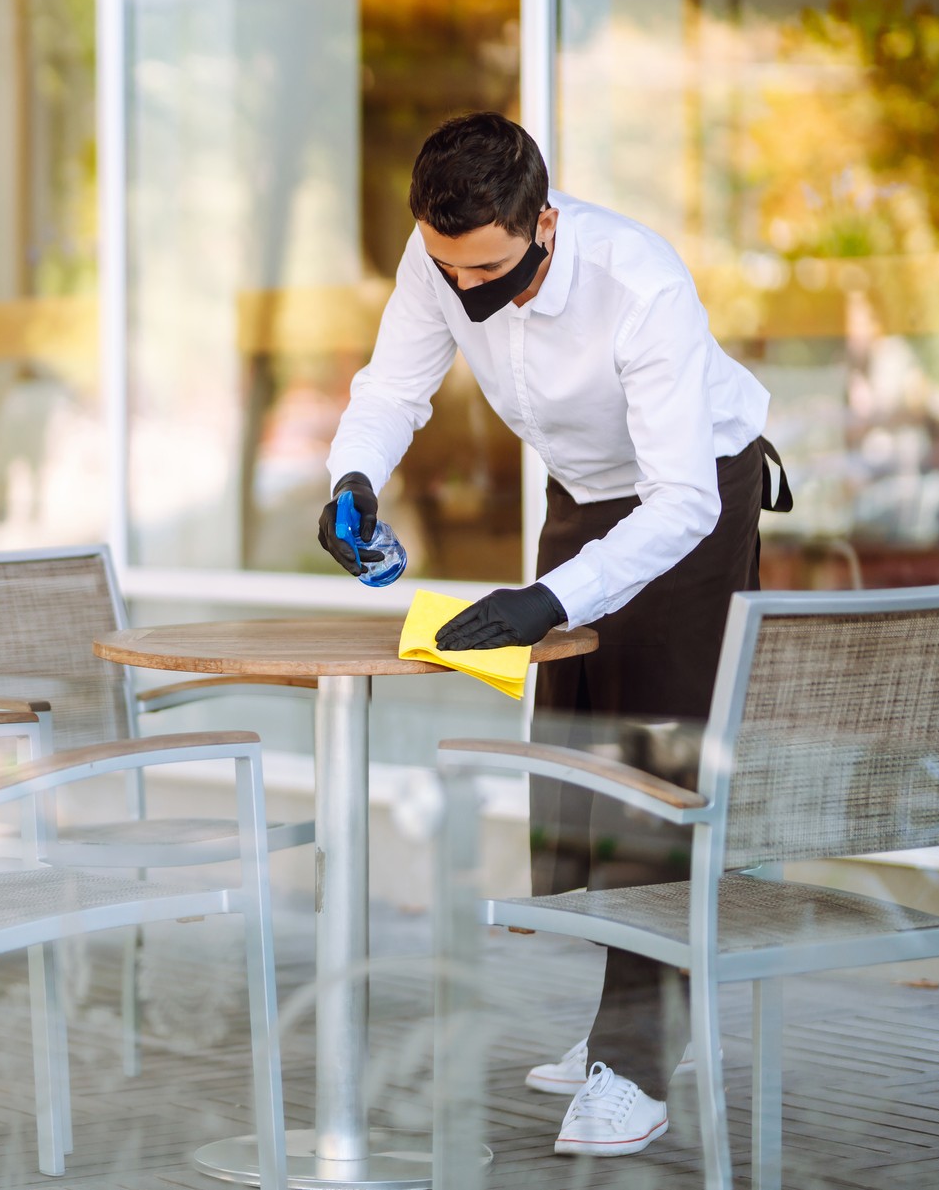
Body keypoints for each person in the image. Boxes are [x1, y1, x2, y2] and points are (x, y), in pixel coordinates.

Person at [317, 112, 789, 1158]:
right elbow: (395, 387)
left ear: (545, 225)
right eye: (448, 266)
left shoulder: (640, 284)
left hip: (697, 491)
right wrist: (351, 477)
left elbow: (676, 504)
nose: (465, 287)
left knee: (650, 764)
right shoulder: (441, 255)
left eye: (487, 266)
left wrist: (550, 599)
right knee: (575, 762)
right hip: (584, 491)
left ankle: (639, 1060)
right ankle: (625, 1018)